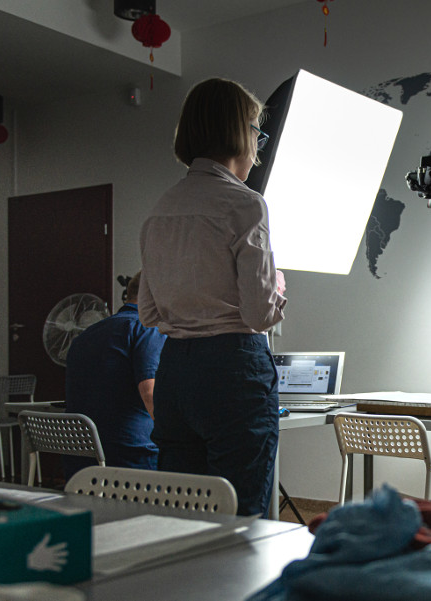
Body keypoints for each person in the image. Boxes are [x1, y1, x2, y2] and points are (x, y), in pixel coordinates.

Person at [138, 78, 287, 517]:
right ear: (240, 133)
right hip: (233, 369)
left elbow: (147, 312)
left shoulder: (159, 209)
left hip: (175, 373)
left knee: (182, 514)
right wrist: (277, 289)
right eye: (257, 131)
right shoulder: (246, 204)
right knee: (241, 519)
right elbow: (260, 315)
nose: (259, 144)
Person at [63, 271, 166, 481]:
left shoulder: (85, 335)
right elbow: (150, 393)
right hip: (132, 457)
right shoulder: (146, 328)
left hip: (80, 462)